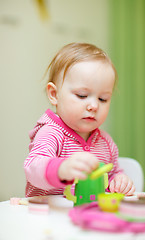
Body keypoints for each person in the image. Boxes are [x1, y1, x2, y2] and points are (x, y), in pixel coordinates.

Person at [24, 42, 135, 198]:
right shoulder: (51, 133)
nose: (94, 105)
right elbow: (33, 168)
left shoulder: (106, 143)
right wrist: (61, 169)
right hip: (48, 216)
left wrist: (119, 180)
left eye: (103, 99)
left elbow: (112, 174)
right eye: (82, 95)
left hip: (87, 217)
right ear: (54, 95)